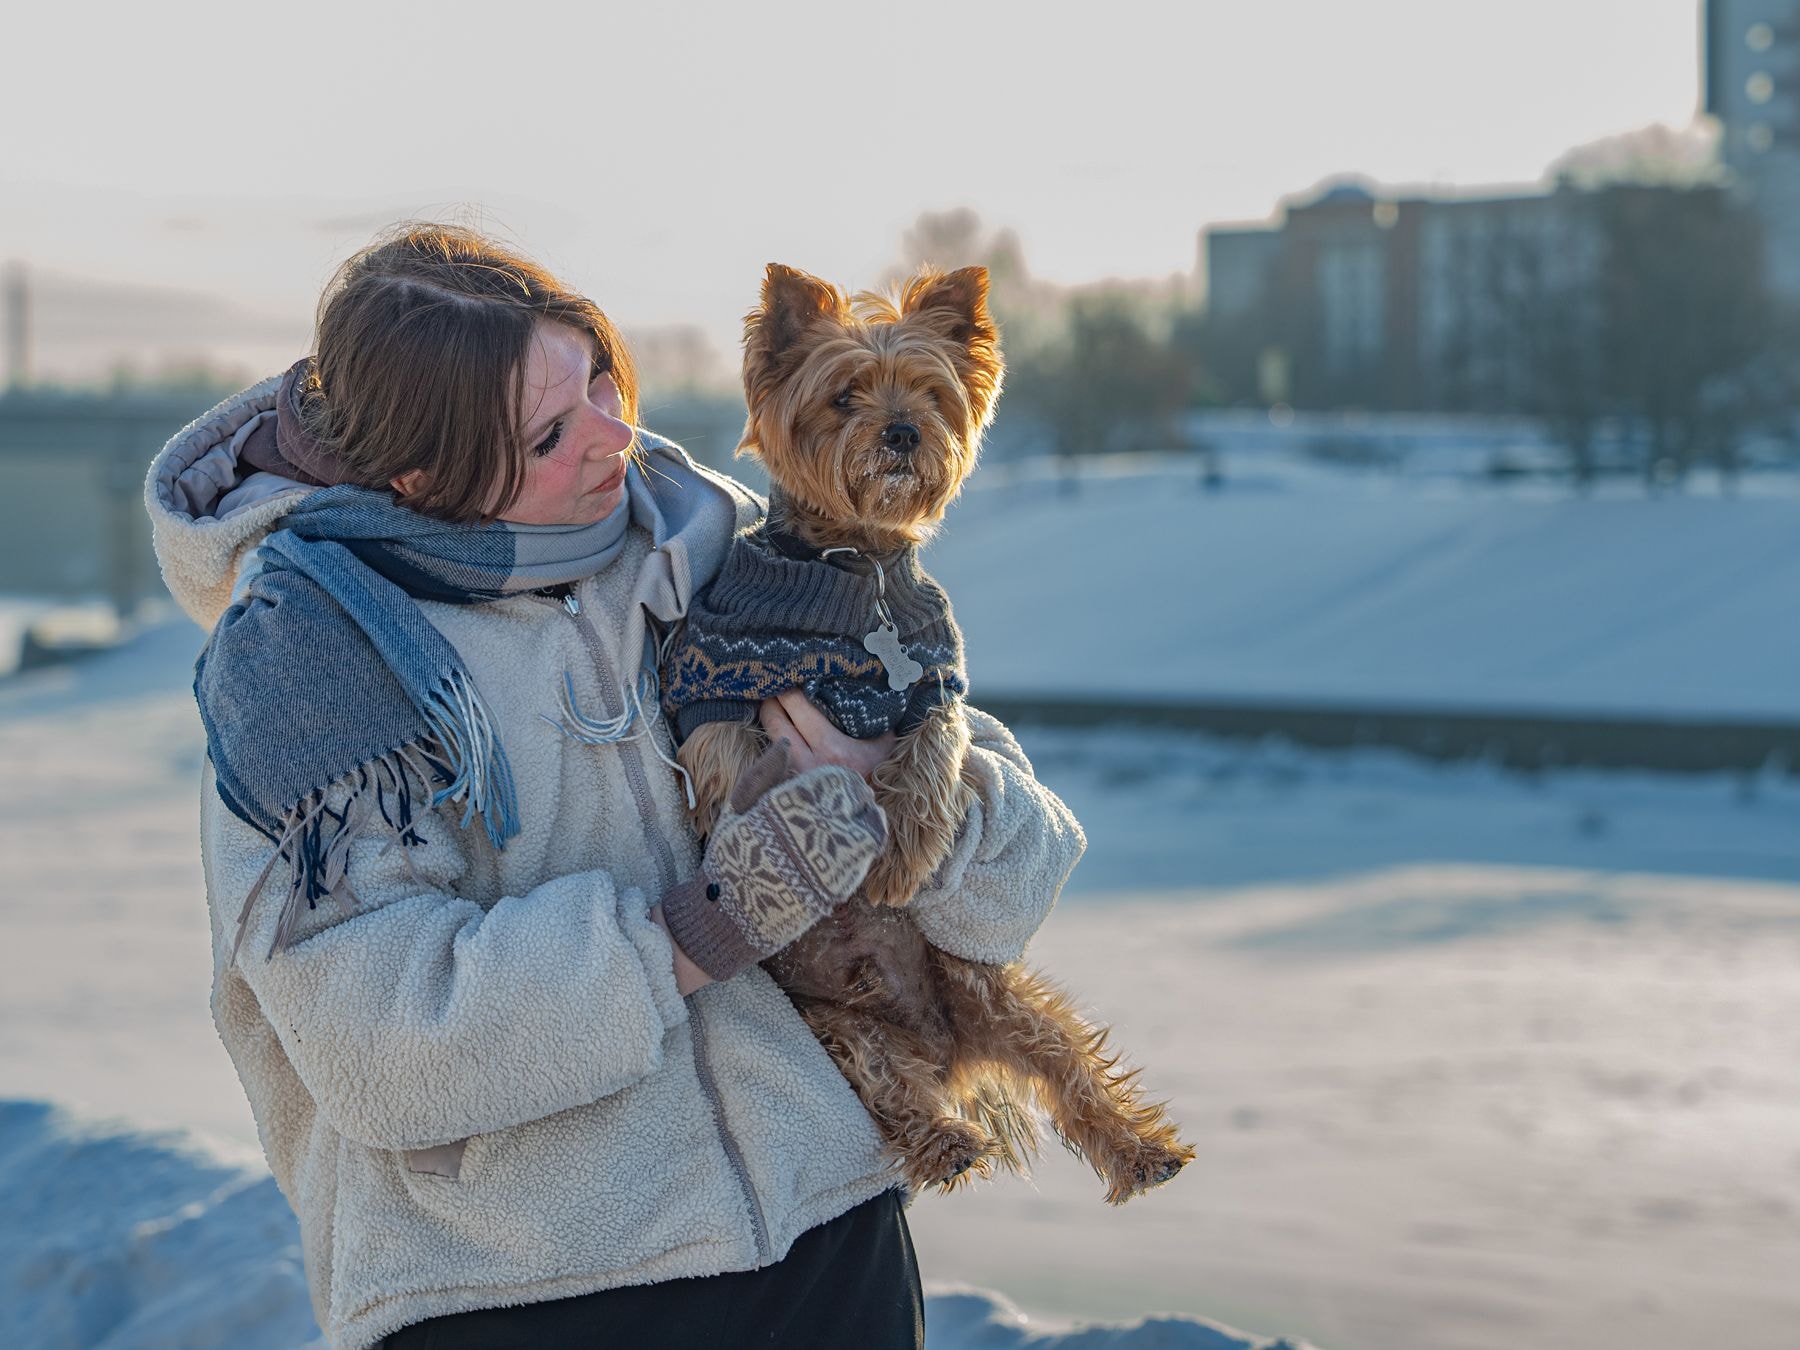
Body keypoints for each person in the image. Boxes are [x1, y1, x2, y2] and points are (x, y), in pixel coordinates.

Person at [144, 224, 1085, 1350]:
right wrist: (696, 932)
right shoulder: (307, 665)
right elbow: (381, 1045)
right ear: (419, 476)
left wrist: (901, 791)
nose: (613, 440)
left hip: (830, 1243)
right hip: (521, 1296)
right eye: (549, 433)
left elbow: (1013, 886)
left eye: (599, 379)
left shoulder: (711, 551)